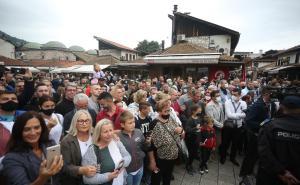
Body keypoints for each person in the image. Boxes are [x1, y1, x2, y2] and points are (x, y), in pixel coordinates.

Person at [2, 111, 63, 185]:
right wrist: (42, 178)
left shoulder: (50, 144)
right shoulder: (11, 158)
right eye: (27, 129)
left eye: (37, 127)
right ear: (19, 131)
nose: (33, 133)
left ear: (42, 128)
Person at [256, 96, 300, 185]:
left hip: (270, 176)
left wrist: (281, 172)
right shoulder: (271, 126)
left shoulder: (270, 126)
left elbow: (264, 152)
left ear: (281, 107)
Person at [239, 87, 277, 183]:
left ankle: (250, 171)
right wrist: (263, 125)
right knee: (251, 155)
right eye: (271, 94)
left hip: (262, 134)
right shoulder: (258, 105)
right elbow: (249, 121)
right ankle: (244, 174)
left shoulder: (271, 104)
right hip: (254, 134)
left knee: (257, 155)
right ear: (266, 94)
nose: (273, 96)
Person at [81, 119, 131, 185]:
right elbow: (87, 179)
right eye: (105, 132)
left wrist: (123, 164)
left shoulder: (116, 142)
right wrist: (108, 177)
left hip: (121, 181)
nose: (109, 134)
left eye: (111, 130)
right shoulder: (93, 151)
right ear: (99, 134)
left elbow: (127, 156)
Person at [150, 99, 183, 185]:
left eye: (169, 110)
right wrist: (152, 161)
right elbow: (150, 145)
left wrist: (181, 131)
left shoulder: (170, 118)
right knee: (156, 179)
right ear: (159, 111)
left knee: (167, 177)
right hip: (160, 158)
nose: (168, 113)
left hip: (172, 156)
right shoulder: (154, 123)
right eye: (165, 111)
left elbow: (180, 131)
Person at [60, 110, 96, 185]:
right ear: (75, 123)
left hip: (96, 177)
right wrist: (81, 170)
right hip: (76, 181)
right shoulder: (67, 141)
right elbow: (65, 166)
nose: (84, 124)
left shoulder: (95, 135)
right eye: (81, 121)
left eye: (87, 121)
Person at [118, 110, 150, 185]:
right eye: (130, 123)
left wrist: (148, 142)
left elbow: (144, 147)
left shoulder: (138, 132)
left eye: (133, 122)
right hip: (127, 170)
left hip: (140, 167)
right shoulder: (118, 137)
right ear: (122, 125)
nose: (133, 124)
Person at [220, 88, 247, 166]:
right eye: (232, 94)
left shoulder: (243, 103)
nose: (233, 96)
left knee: (235, 143)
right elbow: (228, 115)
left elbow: (245, 115)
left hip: (238, 126)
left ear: (240, 95)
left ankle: (232, 158)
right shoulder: (227, 102)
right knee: (225, 143)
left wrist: (235, 116)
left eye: (235, 95)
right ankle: (223, 156)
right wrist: (240, 115)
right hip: (228, 126)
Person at [184, 104, 203, 175]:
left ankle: (190, 163)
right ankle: (188, 166)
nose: (200, 112)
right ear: (193, 111)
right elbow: (187, 130)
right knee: (191, 153)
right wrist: (196, 128)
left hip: (196, 139)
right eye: (198, 111)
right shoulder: (190, 120)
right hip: (191, 140)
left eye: (200, 111)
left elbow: (200, 126)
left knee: (194, 152)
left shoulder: (198, 118)